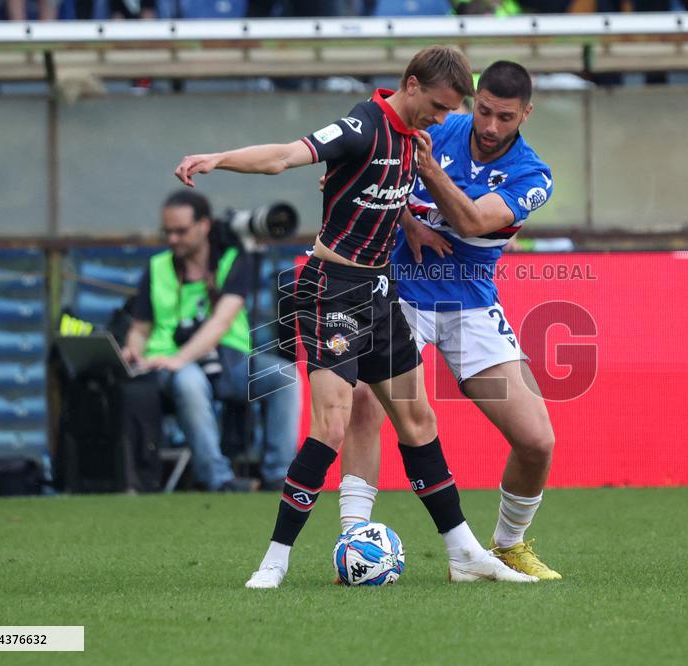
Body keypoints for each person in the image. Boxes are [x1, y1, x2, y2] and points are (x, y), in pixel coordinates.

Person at [175, 45, 537, 589]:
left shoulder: (417, 138)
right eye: (439, 106)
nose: (445, 119)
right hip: (331, 290)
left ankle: (463, 554)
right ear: (411, 86)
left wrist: (410, 224)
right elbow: (283, 156)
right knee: (333, 423)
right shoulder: (362, 125)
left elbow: (396, 197)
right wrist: (217, 158)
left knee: (418, 422)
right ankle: (274, 560)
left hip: (380, 288)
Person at [337, 61, 562, 580]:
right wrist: (409, 221)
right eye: (482, 110)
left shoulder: (534, 175)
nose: (489, 126)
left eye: (505, 117)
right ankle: (353, 540)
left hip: (470, 304)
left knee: (537, 441)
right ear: (473, 100)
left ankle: (506, 546)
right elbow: (367, 178)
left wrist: (431, 172)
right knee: (365, 400)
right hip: (402, 291)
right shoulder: (441, 123)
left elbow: (474, 221)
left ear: (525, 114)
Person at [121, 190, 265, 493]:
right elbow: (140, 328)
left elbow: (221, 322)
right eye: (167, 231)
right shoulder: (157, 267)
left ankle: (282, 477)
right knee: (189, 380)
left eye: (181, 231)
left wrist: (181, 358)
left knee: (286, 378)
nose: (172, 239)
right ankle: (218, 479)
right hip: (167, 365)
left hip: (230, 360)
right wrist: (132, 351)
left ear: (204, 225)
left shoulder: (233, 259)